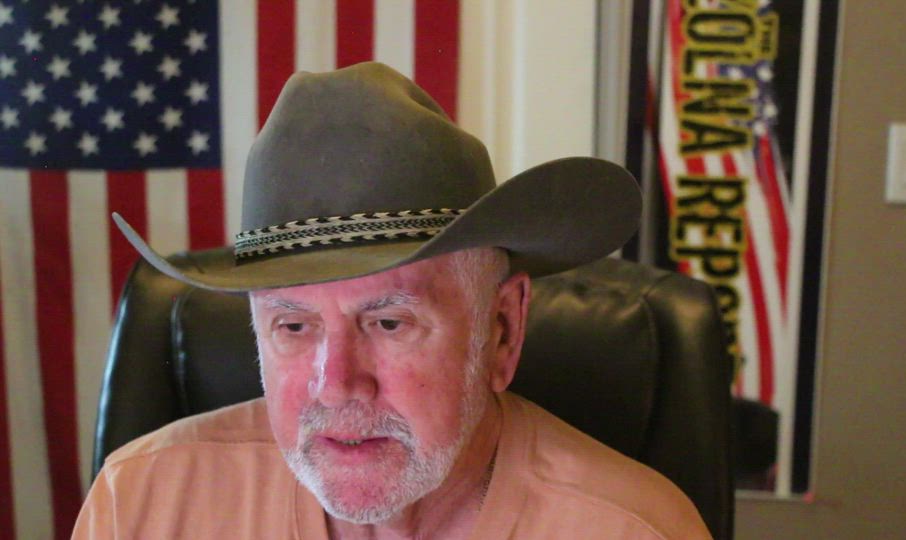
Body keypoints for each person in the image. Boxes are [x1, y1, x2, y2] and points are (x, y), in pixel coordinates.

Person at [73, 62, 711, 539]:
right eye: (292, 326)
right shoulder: (141, 507)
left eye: (388, 322)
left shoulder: (634, 531)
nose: (335, 386)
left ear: (502, 330)